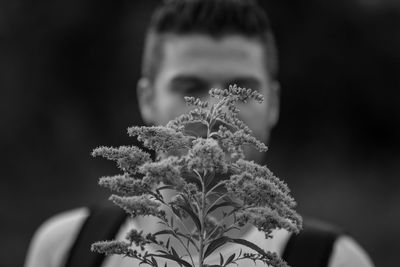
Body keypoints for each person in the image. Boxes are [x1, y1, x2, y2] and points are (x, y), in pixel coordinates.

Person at [24, 0, 374, 267]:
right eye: (190, 87)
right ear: (147, 99)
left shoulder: (333, 259)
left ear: (274, 104)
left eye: (241, 89)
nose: (215, 111)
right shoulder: (68, 247)